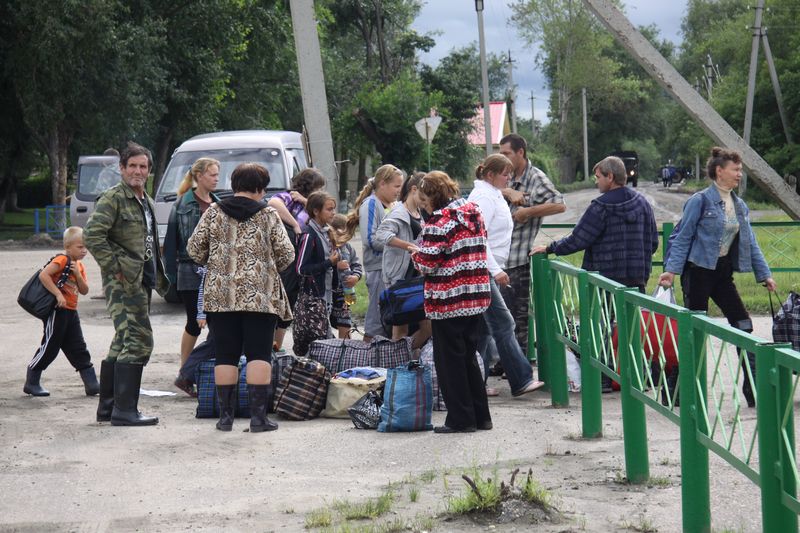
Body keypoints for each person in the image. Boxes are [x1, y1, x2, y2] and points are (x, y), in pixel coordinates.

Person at [659, 147, 777, 408]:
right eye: (735, 169)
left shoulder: (740, 205)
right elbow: (683, 237)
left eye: (740, 169)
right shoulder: (699, 201)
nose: (739, 174)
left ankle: (754, 389)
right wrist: (671, 270)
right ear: (719, 171)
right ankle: (680, 390)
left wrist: (764, 274)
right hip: (697, 272)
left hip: (723, 274)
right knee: (692, 332)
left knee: (744, 326)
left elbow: (751, 243)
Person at [187, 163, 294, 432]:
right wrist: (267, 266)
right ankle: (258, 419)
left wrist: (216, 261)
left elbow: (194, 249)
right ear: (260, 188)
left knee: (225, 355)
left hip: (220, 297)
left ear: (234, 185)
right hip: (260, 297)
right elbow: (286, 254)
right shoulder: (269, 214)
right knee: (259, 354)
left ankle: (225, 419)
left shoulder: (213, 212)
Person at [85, 142, 169, 426]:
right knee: (139, 339)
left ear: (149, 171)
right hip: (123, 281)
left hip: (141, 279)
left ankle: (108, 409)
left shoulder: (146, 201)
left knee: (123, 340)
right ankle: (125, 411)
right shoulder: (113, 198)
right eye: (132, 165)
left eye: (143, 166)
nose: (137, 171)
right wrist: (115, 267)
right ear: (121, 168)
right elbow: (93, 235)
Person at [412, 171, 492, 434]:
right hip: (476, 296)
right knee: (469, 356)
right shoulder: (473, 214)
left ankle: (460, 419)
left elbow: (425, 263)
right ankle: (481, 416)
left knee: (449, 362)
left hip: (448, 300)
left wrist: (416, 252)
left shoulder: (439, 222)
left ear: (433, 196)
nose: (423, 206)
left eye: (424, 201)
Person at [469, 154, 546, 398]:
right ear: (490, 174)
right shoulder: (483, 197)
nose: (509, 178)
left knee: (483, 330)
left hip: (487, 268)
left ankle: (475, 381)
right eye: (505, 174)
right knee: (504, 323)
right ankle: (521, 378)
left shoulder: (492, 194)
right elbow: (479, 238)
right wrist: (496, 270)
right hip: (484, 270)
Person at [531, 156, 659, 293]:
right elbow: (653, 243)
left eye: (598, 177)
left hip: (605, 284)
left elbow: (578, 240)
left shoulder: (600, 207)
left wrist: (549, 248)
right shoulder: (643, 203)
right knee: (634, 314)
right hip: (636, 283)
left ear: (610, 177)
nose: (596, 182)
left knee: (606, 315)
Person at [499, 133, 565, 355]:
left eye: (507, 153)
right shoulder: (505, 176)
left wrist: (528, 211)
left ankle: (519, 365)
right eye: (501, 154)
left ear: (520, 152)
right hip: (499, 259)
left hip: (517, 259)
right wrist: (507, 191)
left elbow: (559, 204)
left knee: (517, 317)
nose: (504, 158)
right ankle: (504, 361)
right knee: (501, 316)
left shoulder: (535, 177)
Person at [163, 157, 220, 395]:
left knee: (217, 323)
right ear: (199, 176)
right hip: (189, 270)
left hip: (215, 272)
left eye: (218, 175)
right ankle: (184, 371)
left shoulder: (219, 203)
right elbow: (170, 244)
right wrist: (171, 278)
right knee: (193, 323)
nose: (217, 179)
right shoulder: (182, 204)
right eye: (212, 175)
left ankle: (197, 371)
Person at [23, 226, 99, 397]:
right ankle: (32, 381)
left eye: (85, 247)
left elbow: (85, 290)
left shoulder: (79, 265)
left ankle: (92, 383)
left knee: (79, 346)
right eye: (80, 247)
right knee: (51, 346)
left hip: (71, 312)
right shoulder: (62, 260)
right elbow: (44, 275)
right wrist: (58, 294)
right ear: (67, 246)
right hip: (57, 311)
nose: (84, 250)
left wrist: (78, 275)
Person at [268, 168, 326, 352]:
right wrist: (294, 224)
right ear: (310, 185)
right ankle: (268, 346)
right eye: (319, 187)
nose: (321, 191)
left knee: (290, 304)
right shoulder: (289, 197)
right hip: (284, 259)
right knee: (278, 301)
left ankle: (277, 347)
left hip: (302, 259)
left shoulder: (310, 203)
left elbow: (326, 218)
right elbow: (273, 203)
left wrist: (307, 202)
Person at [344, 165, 403, 342]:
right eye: (396, 186)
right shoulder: (370, 204)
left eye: (401, 186)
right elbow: (370, 239)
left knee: (389, 320)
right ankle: (366, 361)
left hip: (390, 269)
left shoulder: (392, 204)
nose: (399, 190)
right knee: (376, 322)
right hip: (378, 270)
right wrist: (398, 245)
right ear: (383, 184)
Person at [375, 171, 431, 348]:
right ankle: (398, 365)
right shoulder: (398, 212)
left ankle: (406, 358)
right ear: (414, 189)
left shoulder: (418, 212)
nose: (425, 200)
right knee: (400, 331)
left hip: (416, 278)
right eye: (423, 195)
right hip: (399, 279)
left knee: (428, 328)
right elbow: (381, 234)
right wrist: (409, 246)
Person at [295, 191, 339, 354]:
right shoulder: (308, 234)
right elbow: (301, 268)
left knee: (324, 340)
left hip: (325, 293)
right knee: (316, 342)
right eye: (329, 209)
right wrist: (329, 262)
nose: (333, 213)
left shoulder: (326, 232)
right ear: (316, 211)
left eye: (334, 209)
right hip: (313, 297)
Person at [330, 214, 363, 339]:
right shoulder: (327, 247)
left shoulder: (348, 248)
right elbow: (321, 265)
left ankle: (345, 348)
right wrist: (335, 265)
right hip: (329, 293)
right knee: (326, 323)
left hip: (345, 293)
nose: (344, 239)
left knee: (345, 322)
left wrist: (356, 277)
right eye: (341, 235)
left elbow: (356, 265)